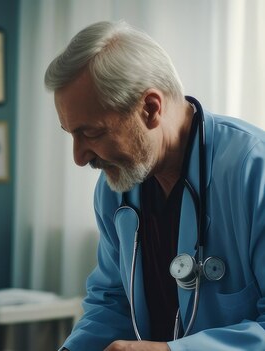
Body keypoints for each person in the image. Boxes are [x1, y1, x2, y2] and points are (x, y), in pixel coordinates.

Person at [44, 21, 265, 351]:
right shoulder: (116, 186)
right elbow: (112, 304)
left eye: (90, 133)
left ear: (150, 108)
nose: (79, 157)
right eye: (71, 134)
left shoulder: (253, 170)